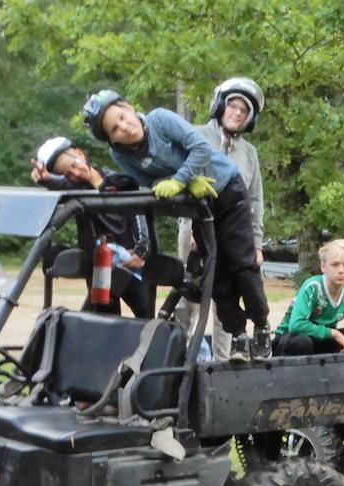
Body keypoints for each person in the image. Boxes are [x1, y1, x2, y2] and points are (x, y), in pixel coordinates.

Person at [83, 90, 271, 360]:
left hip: (226, 190)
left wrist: (182, 178)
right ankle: (238, 335)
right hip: (197, 204)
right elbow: (151, 183)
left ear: (129, 107)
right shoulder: (121, 155)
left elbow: (201, 148)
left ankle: (262, 327)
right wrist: (180, 183)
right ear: (110, 138)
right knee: (215, 273)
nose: (124, 127)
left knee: (242, 263)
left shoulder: (160, 120)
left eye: (122, 117)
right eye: (115, 128)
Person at [31, 136, 155, 318]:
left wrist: (140, 251)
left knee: (146, 316)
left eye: (74, 166)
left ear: (80, 154)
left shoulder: (118, 181)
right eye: (67, 174)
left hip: (131, 263)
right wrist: (44, 179)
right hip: (101, 267)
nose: (75, 174)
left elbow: (138, 211)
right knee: (104, 322)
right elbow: (57, 184)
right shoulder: (76, 189)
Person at [274, 239, 344, 356]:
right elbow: (296, 325)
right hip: (288, 339)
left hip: (320, 339)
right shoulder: (313, 286)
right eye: (335, 264)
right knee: (302, 343)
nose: (341, 270)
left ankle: (337, 370)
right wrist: (335, 334)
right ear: (323, 266)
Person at [199, 77, 266, 272]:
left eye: (244, 110)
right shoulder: (196, 136)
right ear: (220, 105)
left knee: (229, 297)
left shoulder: (249, 152)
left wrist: (256, 244)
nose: (237, 113)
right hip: (198, 231)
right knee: (191, 299)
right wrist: (190, 233)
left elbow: (255, 200)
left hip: (236, 236)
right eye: (233, 105)